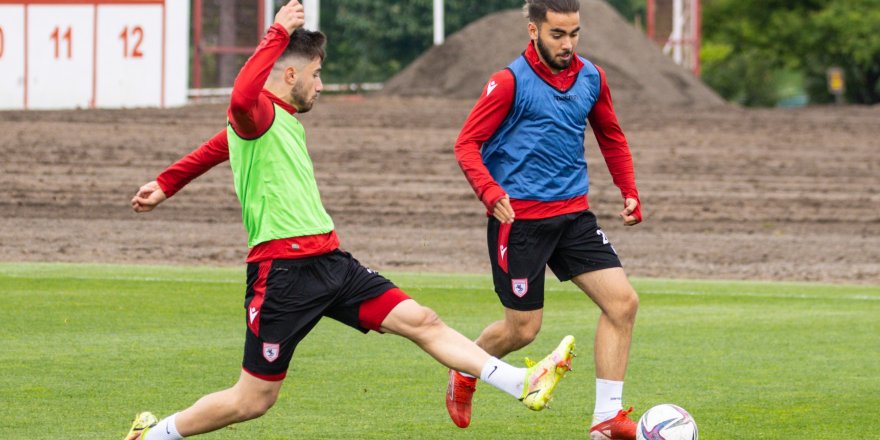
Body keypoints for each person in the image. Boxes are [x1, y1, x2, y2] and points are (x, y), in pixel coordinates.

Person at [121, 2, 576, 439]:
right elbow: (240, 96)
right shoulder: (253, 112)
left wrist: (166, 183)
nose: (320, 85)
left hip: (331, 262)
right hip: (282, 274)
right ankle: (155, 434)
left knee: (423, 320)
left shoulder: (274, 120)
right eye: (316, 75)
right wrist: (277, 30)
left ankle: (521, 382)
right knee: (253, 400)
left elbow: (217, 147)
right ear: (291, 73)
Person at [447, 1, 642, 439]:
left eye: (574, 34)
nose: (568, 44)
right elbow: (466, 144)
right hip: (519, 221)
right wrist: (491, 192)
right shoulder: (508, 82)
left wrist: (628, 189)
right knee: (522, 330)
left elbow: (610, 134)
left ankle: (606, 419)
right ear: (533, 30)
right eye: (558, 34)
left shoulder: (592, 77)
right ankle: (466, 367)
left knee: (622, 303)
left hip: (573, 216)